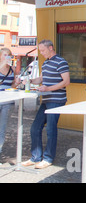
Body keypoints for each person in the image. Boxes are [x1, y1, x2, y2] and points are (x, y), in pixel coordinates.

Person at [22, 39, 70, 169]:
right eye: (40, 50)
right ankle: (35, 157)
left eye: (43, 50)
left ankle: (48, 159)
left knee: (50, 129)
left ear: (51, 48)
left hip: (56, 100)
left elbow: (66, 81)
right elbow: (41, 79)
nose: (41, 53)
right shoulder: (45, 63)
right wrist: (30, 80)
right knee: (35, 128)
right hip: (46, 99)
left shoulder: (61, 61)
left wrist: (48, 89)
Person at [0, 48, 20, 161]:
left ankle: (0, 152)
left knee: (2, 129)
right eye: (4, 55)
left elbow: (11, 85)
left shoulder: (12, 69)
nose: (7, 57)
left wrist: (16, 83)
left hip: (8, 102)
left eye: (9, 55)